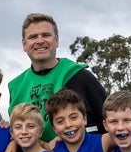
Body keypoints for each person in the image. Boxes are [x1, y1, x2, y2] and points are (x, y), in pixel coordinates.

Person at [7, 13, 107, 142]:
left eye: (46, 35)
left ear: (56, 40)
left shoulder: (79, 76)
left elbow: (110, 120)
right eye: (33, 37)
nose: (40, 41)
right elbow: (16, 132)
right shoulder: (16, 87)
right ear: (24, 44)